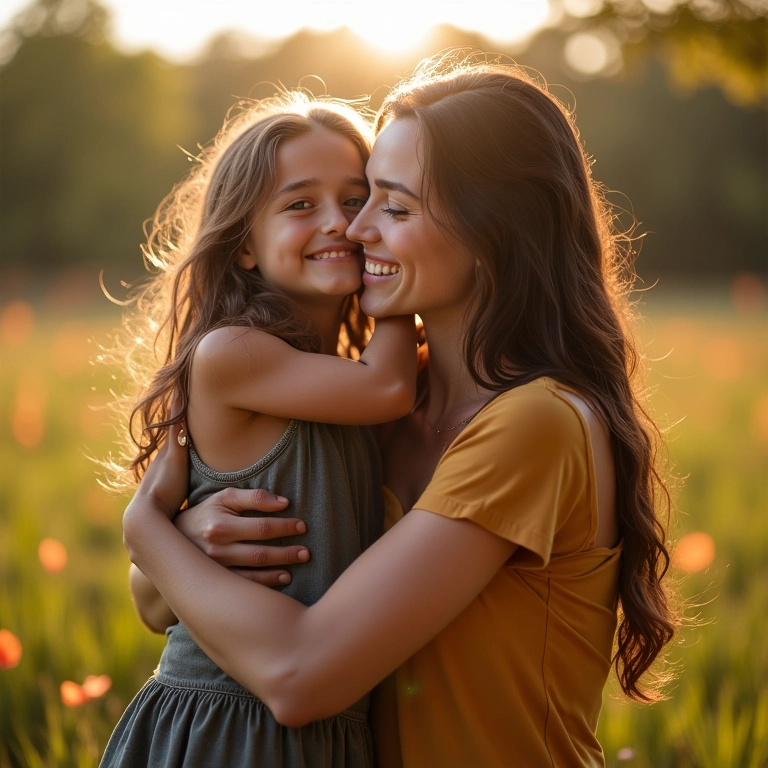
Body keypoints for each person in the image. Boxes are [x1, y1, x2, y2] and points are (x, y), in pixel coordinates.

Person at [122, 55, 678, 767]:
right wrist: (191, 535)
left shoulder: (534, 424)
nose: (354, 231)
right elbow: (156, 605)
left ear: (492, 231)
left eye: (392, 205)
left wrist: (147, 529)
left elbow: (300, 676)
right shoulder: (381, 411)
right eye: (365, 202)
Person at [100, 92, 417, 767]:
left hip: (326, 724)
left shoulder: (332, 379)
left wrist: (163, 535)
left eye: (358, 200)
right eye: (301, 204)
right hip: (227, 725)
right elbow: (154, 609)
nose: (339, 222)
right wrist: (397, 267)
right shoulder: (232, 354)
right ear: (244, 244)